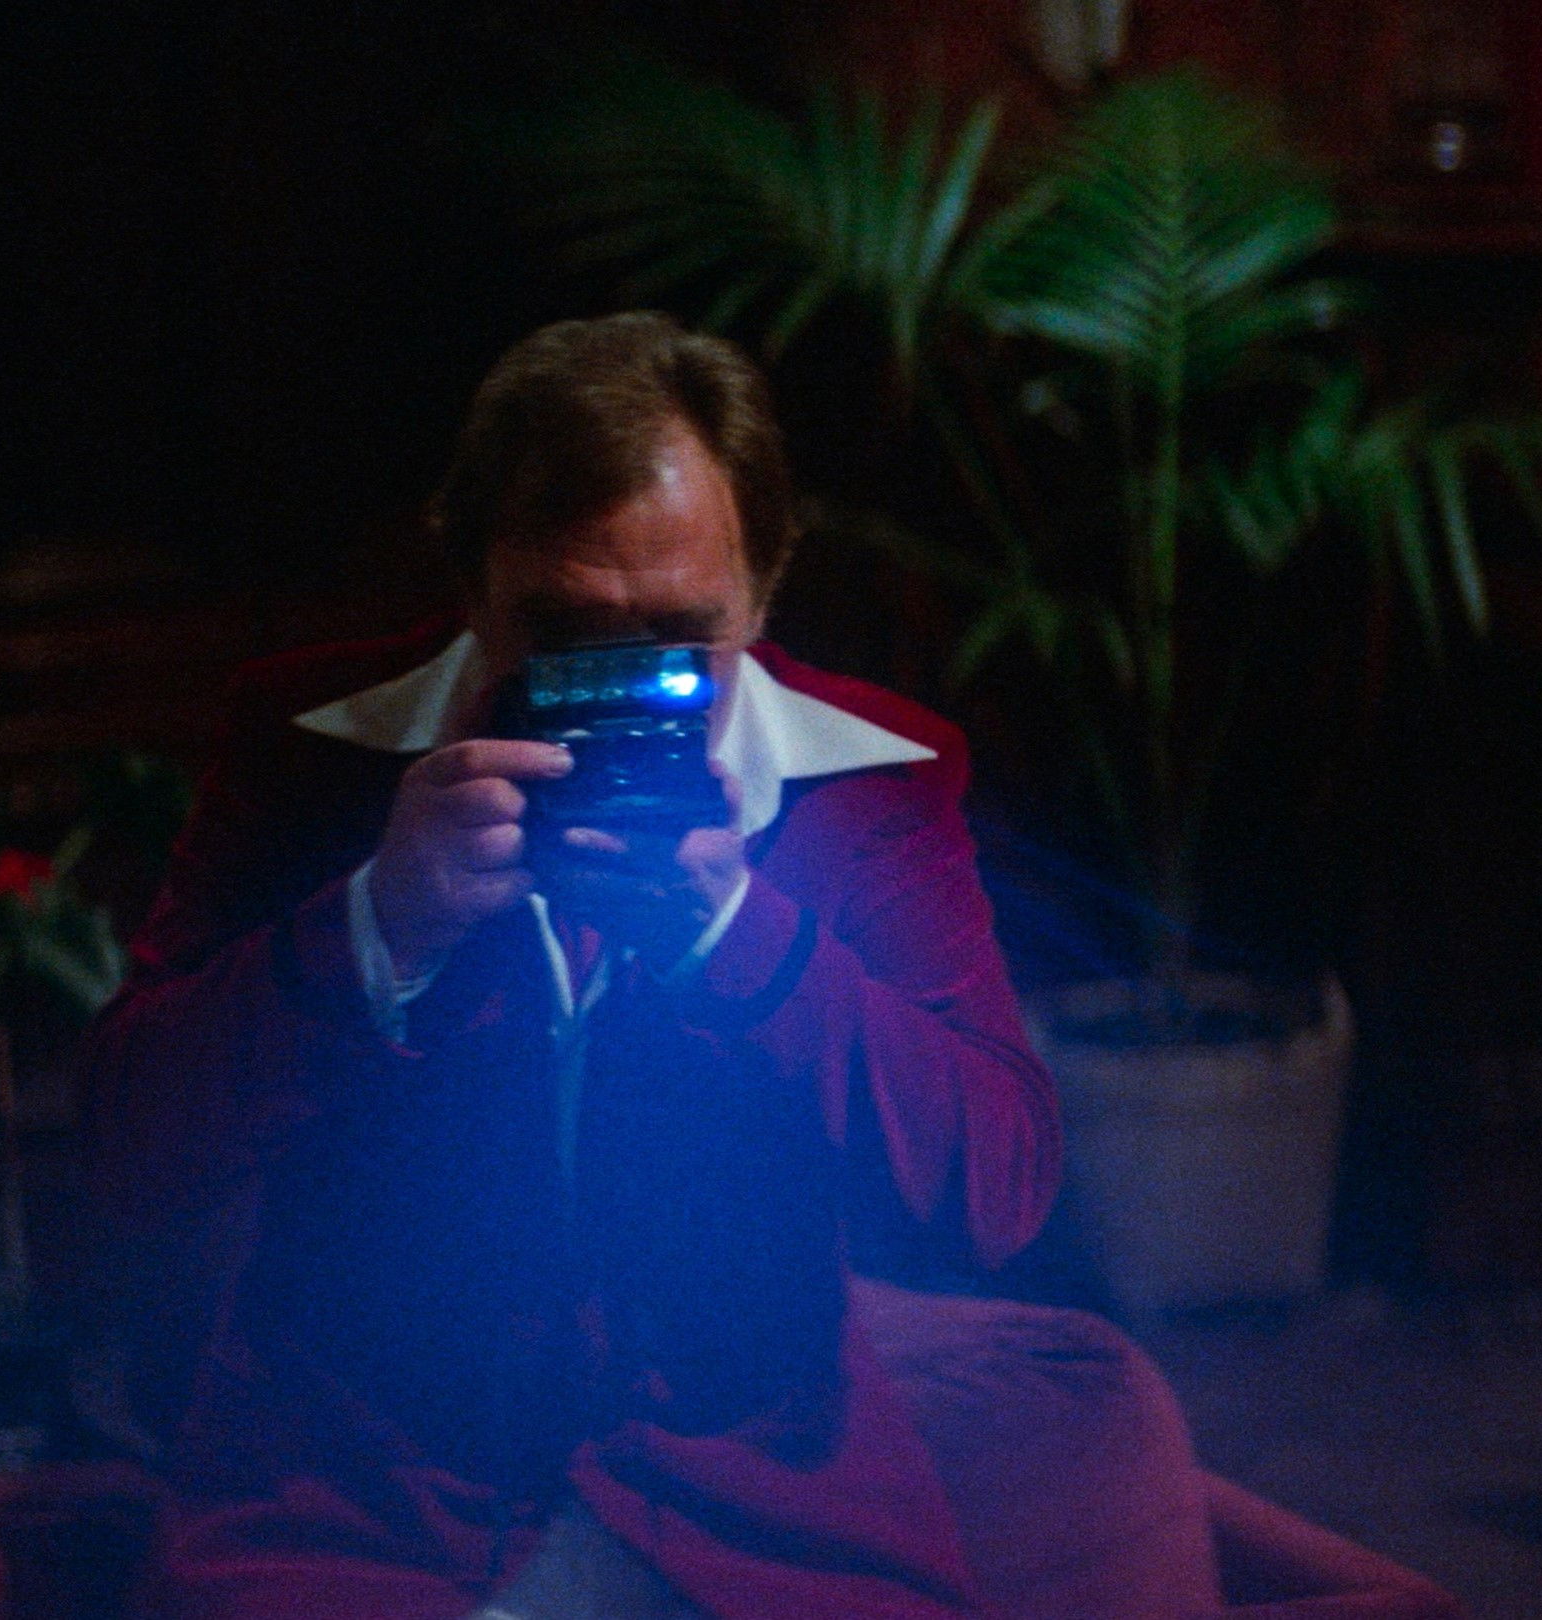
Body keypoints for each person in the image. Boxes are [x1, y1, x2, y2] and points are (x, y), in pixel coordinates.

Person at [76, 312, 1060, 1619]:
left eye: (681, 639)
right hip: (366, 1510)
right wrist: (374, 924)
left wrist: (743, 940)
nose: (620, 686)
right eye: (563, 634)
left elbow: (998, 1193)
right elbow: (126, 1149)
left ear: (765, 589)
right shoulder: (313, 748)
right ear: (471, 583)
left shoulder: (868, 779)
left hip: (753, 1515)